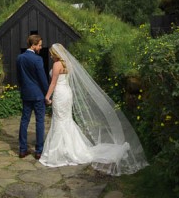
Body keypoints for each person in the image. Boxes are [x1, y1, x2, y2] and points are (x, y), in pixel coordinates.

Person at [39, 43, 149, 176]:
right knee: (66, 120)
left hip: (60, 93)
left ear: (56, 53)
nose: (50, 55)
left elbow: (53, 82)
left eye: (51, 53)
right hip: (67, 93)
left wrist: (47, 96)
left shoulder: (57, 65)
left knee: (60, 120)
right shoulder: (68, 64)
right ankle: (69, 148)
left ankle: (60, 151)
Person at [16, 34, 49, 160]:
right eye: (39, 45)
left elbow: (19, 77)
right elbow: (42, 78)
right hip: (38, 95)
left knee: (24, 121)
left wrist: (23, 88)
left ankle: (22, 150)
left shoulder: (19, 58)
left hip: (26, 93)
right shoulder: (37, 59)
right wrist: (47, 93)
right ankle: (39, 151)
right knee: (39, 121)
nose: (40, 48)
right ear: (33, 45)